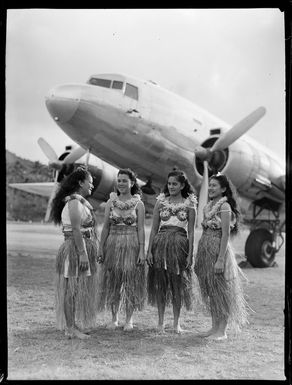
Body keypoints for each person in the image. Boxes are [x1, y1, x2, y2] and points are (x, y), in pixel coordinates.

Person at [194, 172, 249, 340]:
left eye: (214, 185)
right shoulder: (208, 207)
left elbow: (225, 235)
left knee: (220, 291)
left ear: (223, 189)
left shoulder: (225, 207)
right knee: (211, 289)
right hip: (205, 249)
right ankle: (214, 327)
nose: (210, 188)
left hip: (219, 251)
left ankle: (222, 331)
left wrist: (220, 259)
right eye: (209, 185)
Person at [146, 169, 197, 334]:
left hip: (179, 246)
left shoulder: (190, 204)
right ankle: (160, 322)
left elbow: (191, 232)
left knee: (177, 285)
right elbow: (154, 229)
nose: (172, 186)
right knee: (160, 283)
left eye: (175, 183)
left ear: (182, 185)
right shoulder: (161, 202)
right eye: (169, 183)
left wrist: (190, 254)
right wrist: (149, 251)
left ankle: (176, 323)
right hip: (160, 245)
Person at [50, 167, 99, 339]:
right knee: (70, 289)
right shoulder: (74, 203)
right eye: (90, 183)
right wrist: (83, 253)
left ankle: (72, 325)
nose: (92, 186)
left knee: (74, 288)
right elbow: (76, 230)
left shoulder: (78, 202)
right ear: (80, 183)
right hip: (74, 249)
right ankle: (70, 328)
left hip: (77, 248)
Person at [97, 168, 146, 331]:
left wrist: (141, 250)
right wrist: (100, 248)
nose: (121, 183)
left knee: (131, 282)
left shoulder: (139, 204)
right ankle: (114, 318)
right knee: (113, 282)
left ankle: (129, 320)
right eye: (119, 180)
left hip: (131, 244)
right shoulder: (111, 203)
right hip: (113, 244)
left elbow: (140, 229)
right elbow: (105, 228)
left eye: (125, 180)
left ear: (132, 183)